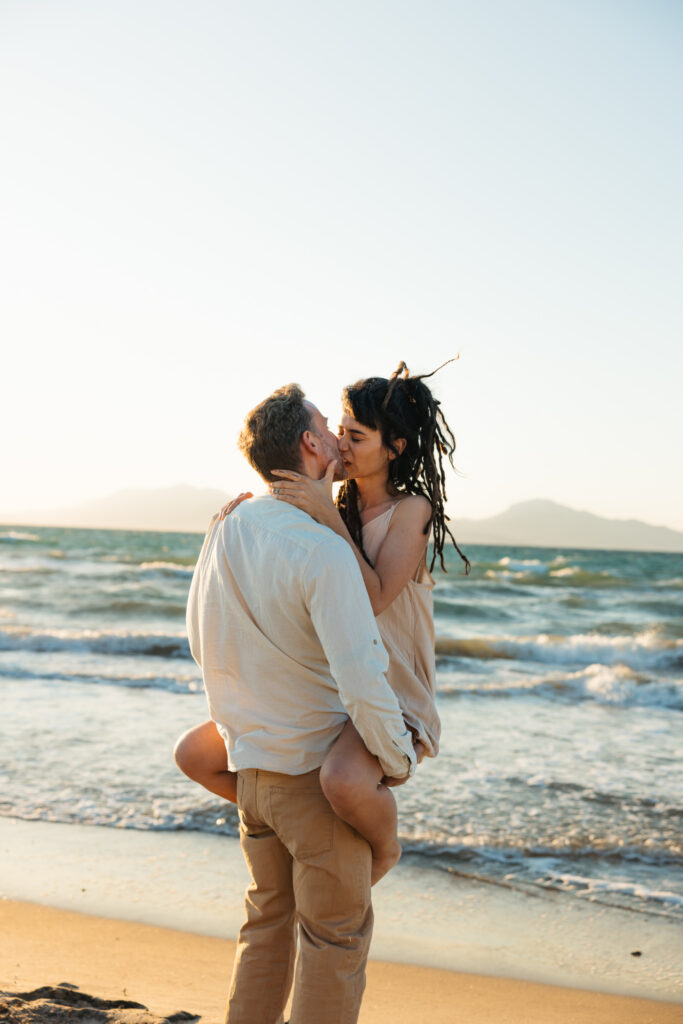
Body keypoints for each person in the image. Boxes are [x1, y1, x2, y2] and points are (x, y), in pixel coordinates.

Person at [177, 361, 469, 884]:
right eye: (339, 431)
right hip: (337, 691)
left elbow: (374, 597)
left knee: (340, 780)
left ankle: (383, 850)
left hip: (392, 691)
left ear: (395, 448)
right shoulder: (337, 499)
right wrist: (249, 511)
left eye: (356, 436)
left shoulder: (410, 511)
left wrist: (327, 515)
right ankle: (294, 818)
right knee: (195, 755)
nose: (341, 443)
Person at [186, 383, 416, 1023]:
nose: (338, 437)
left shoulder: (224, 528)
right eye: (326, 424)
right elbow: (363, 679)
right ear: (311, 443)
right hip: (311, 780)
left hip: (253, 775)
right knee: (333, 938)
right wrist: (395, 762)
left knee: (265, 928)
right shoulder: (322, 549)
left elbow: (203, 641)